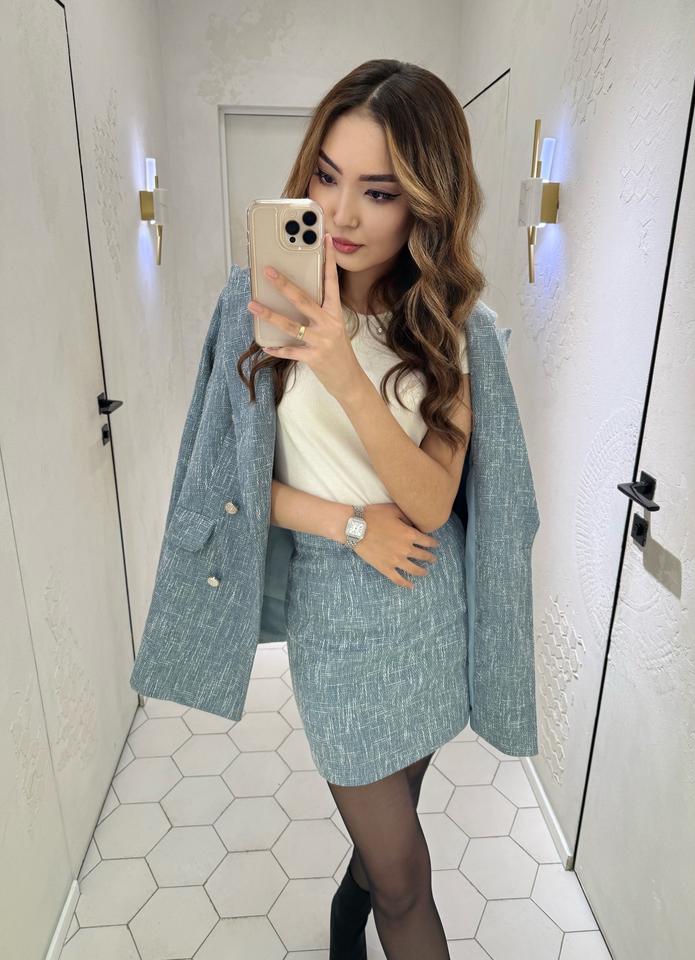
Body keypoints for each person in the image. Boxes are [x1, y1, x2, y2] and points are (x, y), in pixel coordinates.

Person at [235, 58, 488, 960]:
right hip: (336, 619)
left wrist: (346, 373)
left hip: (426, 604)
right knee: (407, 876)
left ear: (425, 202)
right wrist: (349, 525)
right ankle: (370, 903)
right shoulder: (259, 308)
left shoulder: (447, 324)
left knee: (395, 826)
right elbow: (227, 491)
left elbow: (432, 500)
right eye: (327, 177)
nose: (341, 215)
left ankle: (352, 907)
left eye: (378, 193)